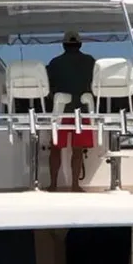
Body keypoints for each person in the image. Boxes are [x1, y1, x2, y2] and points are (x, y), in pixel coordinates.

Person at [46, 31, 95, 191]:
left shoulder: (54, 63)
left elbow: (48, 88)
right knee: (78, 149)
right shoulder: (90, 61)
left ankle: (53, 185)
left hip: (60, 110)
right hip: (83, 109)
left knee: (55, 147)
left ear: (64, 45)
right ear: (80, 44)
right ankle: (75, 185)